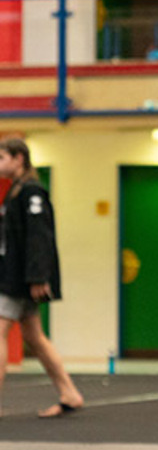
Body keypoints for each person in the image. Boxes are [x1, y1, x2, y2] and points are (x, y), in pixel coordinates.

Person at [0, 138, 84, 419]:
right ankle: (69, 392)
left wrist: (38, 276)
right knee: (34, 337)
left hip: (19, 278)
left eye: (2, 158)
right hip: (15, 274)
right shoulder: (17, 191)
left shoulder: (32, 192)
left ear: (19, 158)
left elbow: (40, 236)